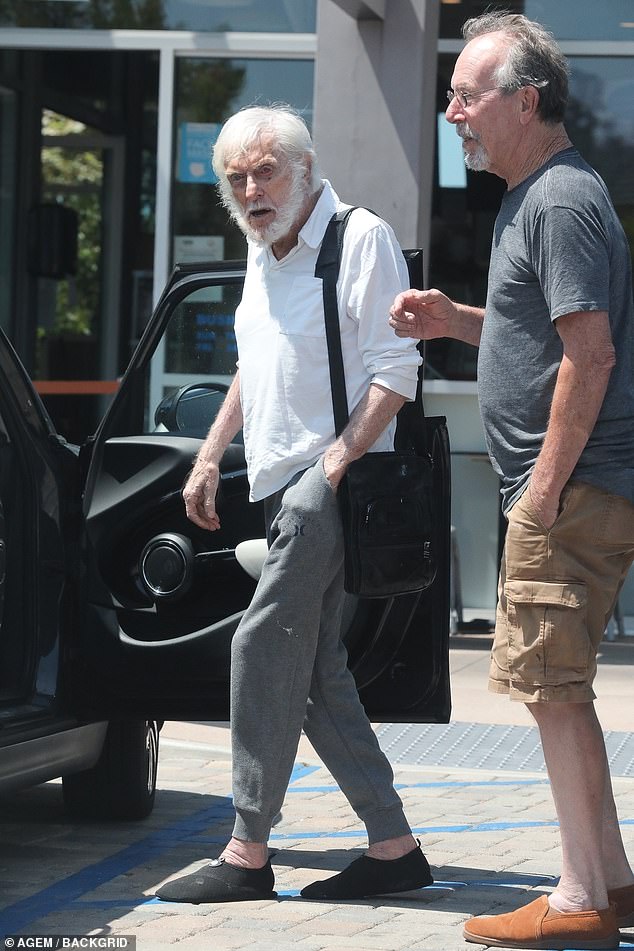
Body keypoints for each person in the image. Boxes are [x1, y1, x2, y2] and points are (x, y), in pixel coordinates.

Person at [390, 12, 634, 951]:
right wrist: (456, 318)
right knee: (557, 683)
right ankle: (607, 878)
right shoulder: (536, 197)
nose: (452, 112)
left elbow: (592, 352)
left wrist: (540, 489)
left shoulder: (561, 200)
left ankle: (577, 899)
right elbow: (542, 337)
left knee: (551, 685)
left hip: (566, 490)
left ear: (525, 100)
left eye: (465, 94)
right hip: (569, 487)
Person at [155, 104, 433, 904]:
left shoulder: (358, 238)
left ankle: (247, 848)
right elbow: (256, 361)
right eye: (237, 178)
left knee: (261, 647)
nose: (251, 188)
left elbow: (396, 371)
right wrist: (211, 456)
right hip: (276, 482)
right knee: (315, 675)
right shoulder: (261, 249)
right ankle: (394, 845)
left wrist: (331, 469)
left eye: (265, 170)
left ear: (303, 167)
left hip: (332, 486)